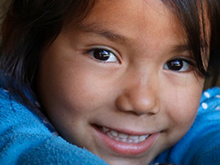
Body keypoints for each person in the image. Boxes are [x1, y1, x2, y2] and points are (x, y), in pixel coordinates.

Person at [0, 0, 220, 164]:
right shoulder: (8, 111)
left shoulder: (203, 113)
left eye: (177, 64)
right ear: (21, 39)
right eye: (102, 54)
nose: (142, 102)